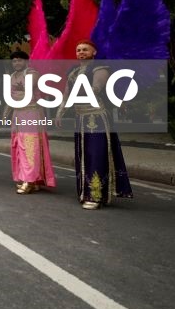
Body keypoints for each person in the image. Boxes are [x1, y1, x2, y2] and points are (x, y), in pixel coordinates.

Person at [56, 40, 133, 210]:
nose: (81, 52)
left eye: (85, 49)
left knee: (97, 154)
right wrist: (60, 112)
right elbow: (66, 94)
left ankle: (96, 195)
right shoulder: (73, 70)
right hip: (80, 118)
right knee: (84, 156)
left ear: (94, 52)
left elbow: (96, 88)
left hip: (96, 117)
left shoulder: (99, 67)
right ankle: (85, 192)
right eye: (78, 50)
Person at [6, 51, 56, 194]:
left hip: (31, 112)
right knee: (18, 146)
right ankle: (26, 178)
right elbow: (10, 98)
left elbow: (26, 88)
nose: (16, 63)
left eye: (19, 60)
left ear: (26, 61)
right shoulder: (11, 76)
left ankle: (30, 180)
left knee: (30, 146)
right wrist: (5, 115)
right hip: (18, 113)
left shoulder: (32, 73)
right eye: (14, 61)